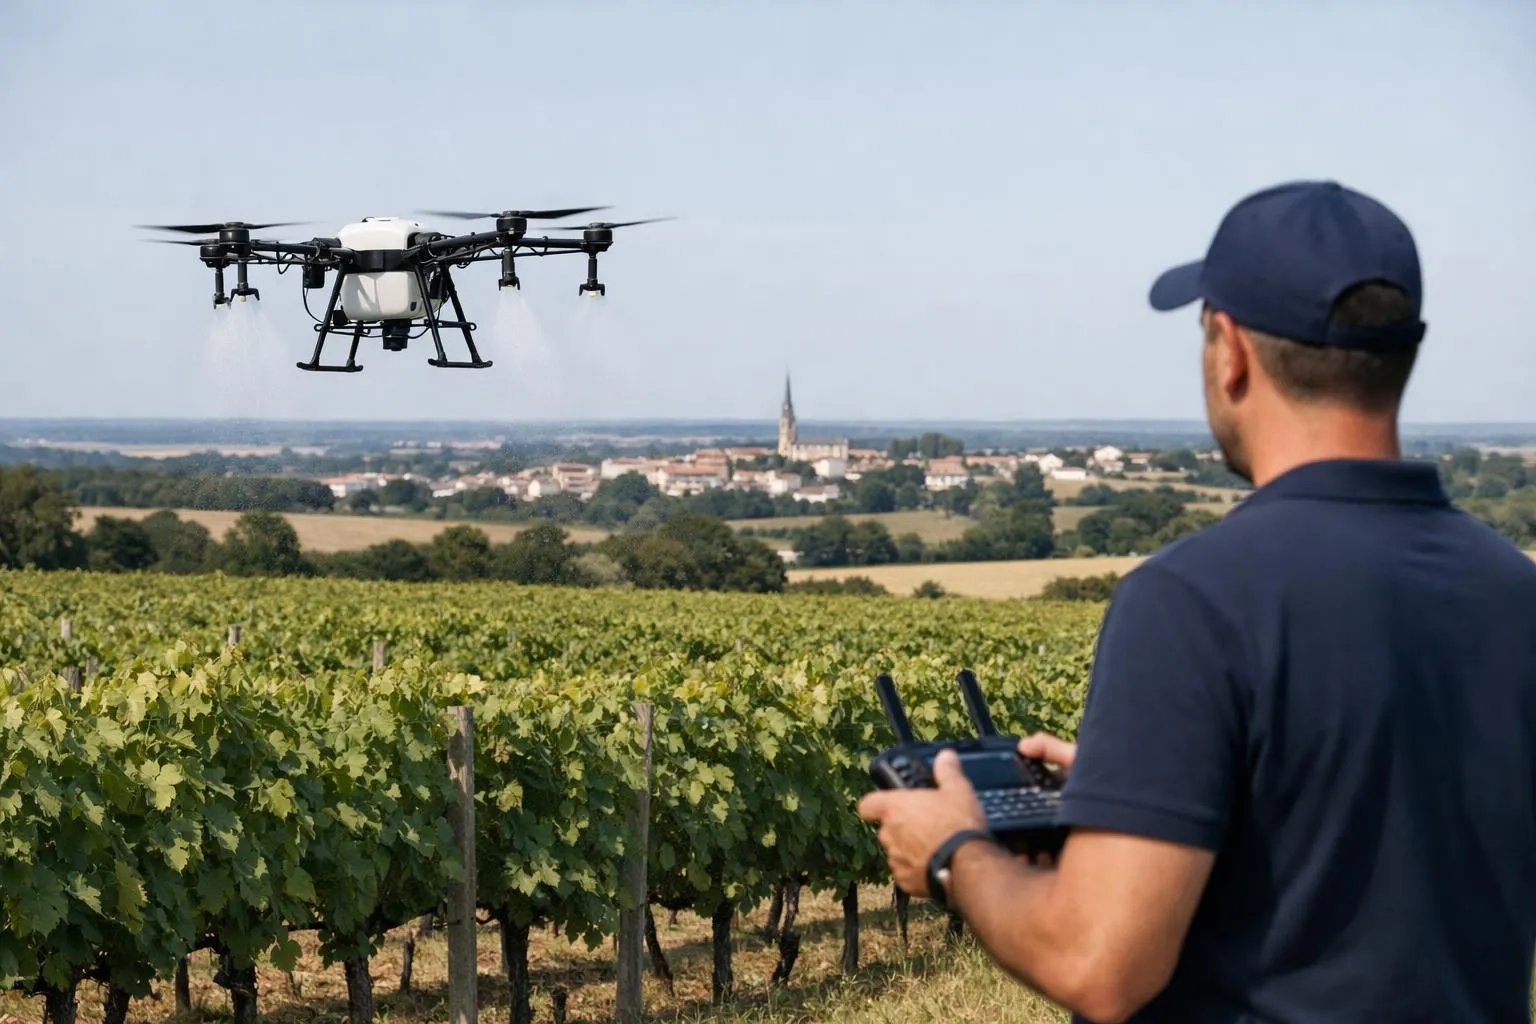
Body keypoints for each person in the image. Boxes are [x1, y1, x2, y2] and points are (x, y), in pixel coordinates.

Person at [857, 180, 1536, 1023]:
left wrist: (953, 851)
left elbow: (1099, 964)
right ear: (1404, 350)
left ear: (1231, 350)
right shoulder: (1514, 589)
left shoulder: (1190, 602)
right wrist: (1154, 787)